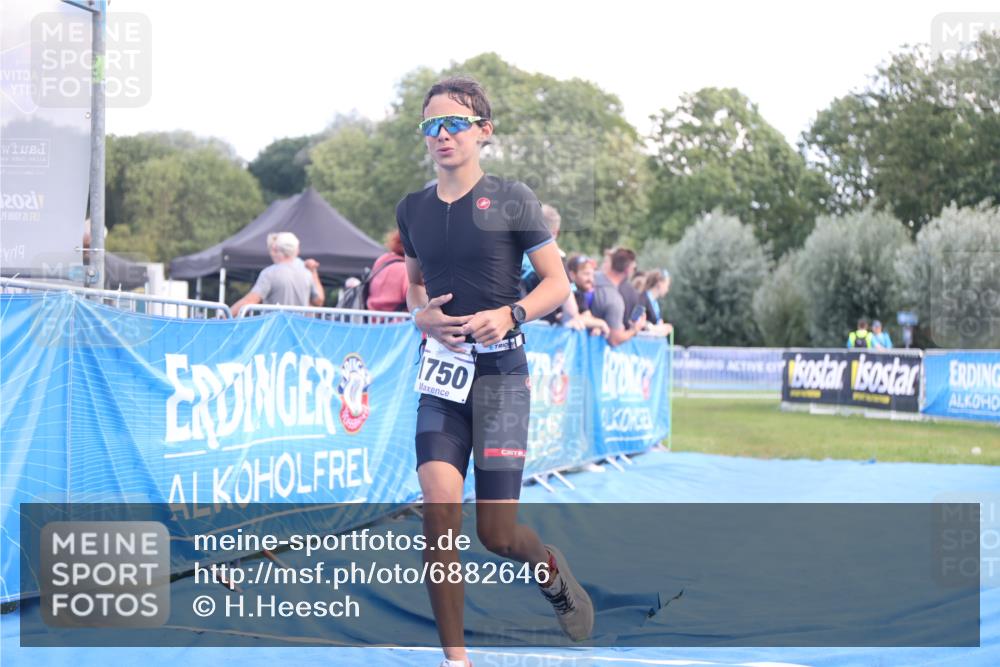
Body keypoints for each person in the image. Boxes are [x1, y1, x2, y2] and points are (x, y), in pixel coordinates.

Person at [397, 77, 593, 667]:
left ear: (484, 131)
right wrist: (420, 318)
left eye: (454, 123)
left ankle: (550, 570)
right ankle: (456, 658)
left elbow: (557, 284)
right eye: (431, 126)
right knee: (439, 514)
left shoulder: (512, 198)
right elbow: (412, 286)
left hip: (502, 381)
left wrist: (510, 314)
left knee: (497, 536)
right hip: (441, 381)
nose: (442, 135)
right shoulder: (413, 209)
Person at [231, 232, 323, 316]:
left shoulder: (269, 273)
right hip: (299, 331)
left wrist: (225, 315)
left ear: (275, 248)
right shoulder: (307, 272)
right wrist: (314, 271)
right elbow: (319, 301)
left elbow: (250, 301)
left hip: (276, 331)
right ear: (296, 250)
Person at [592, 247, 646, 346]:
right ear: (628, 270)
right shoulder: (614, 300)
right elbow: (614, 340)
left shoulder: (589, 277)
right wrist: (635, 329)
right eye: (634, 268)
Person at [566, 254, 610, 336]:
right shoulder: (571, 293)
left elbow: (587, 317)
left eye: (592, 275)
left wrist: (594, 325)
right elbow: (574, 319)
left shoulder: (583, 294)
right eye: (586, 274)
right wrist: (601, 323)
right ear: (572, 275)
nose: (591, 279)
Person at [366, 229, 409, 311]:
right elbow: (416, 300)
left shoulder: (382, 260)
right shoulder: (406, 270)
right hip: (397, 322)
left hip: (371, 319)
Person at [642, 270, 674, 337]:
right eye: (667, 285)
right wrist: (653, 328)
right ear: (659, 283)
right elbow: (638, 321)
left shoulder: (655, 303)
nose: (667, 289)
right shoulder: (643, 299)